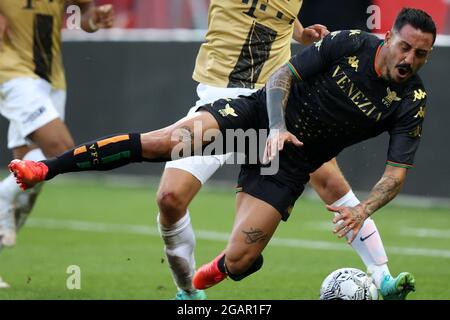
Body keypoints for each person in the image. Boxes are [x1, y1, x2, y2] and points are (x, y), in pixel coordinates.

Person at [8, 7, 433, 300]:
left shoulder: (411, 99)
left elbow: (395, 175)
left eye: (421, 55)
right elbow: (284, 74)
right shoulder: (352, 44)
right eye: (405, 47)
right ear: (389, 37)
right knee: (164, 143)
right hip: (254, 115)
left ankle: (199, 281)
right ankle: (45, 167)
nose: (409, 59)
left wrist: (365, 209)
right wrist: (278, 126)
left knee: (242, 259)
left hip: (292, 162)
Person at [155, 0, 394, 300]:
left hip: (274, 107)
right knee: (169, 198)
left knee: (330, 182)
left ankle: (383, 275)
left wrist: (300, 33)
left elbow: (280, 9)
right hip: (216, 104)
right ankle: (188, 291)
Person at [0, 0, 114, 288]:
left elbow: (84, 12)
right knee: (60, 149)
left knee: (29, 186)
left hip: (51, 80)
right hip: (12, 75)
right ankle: (1, 195)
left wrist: (93, 19)